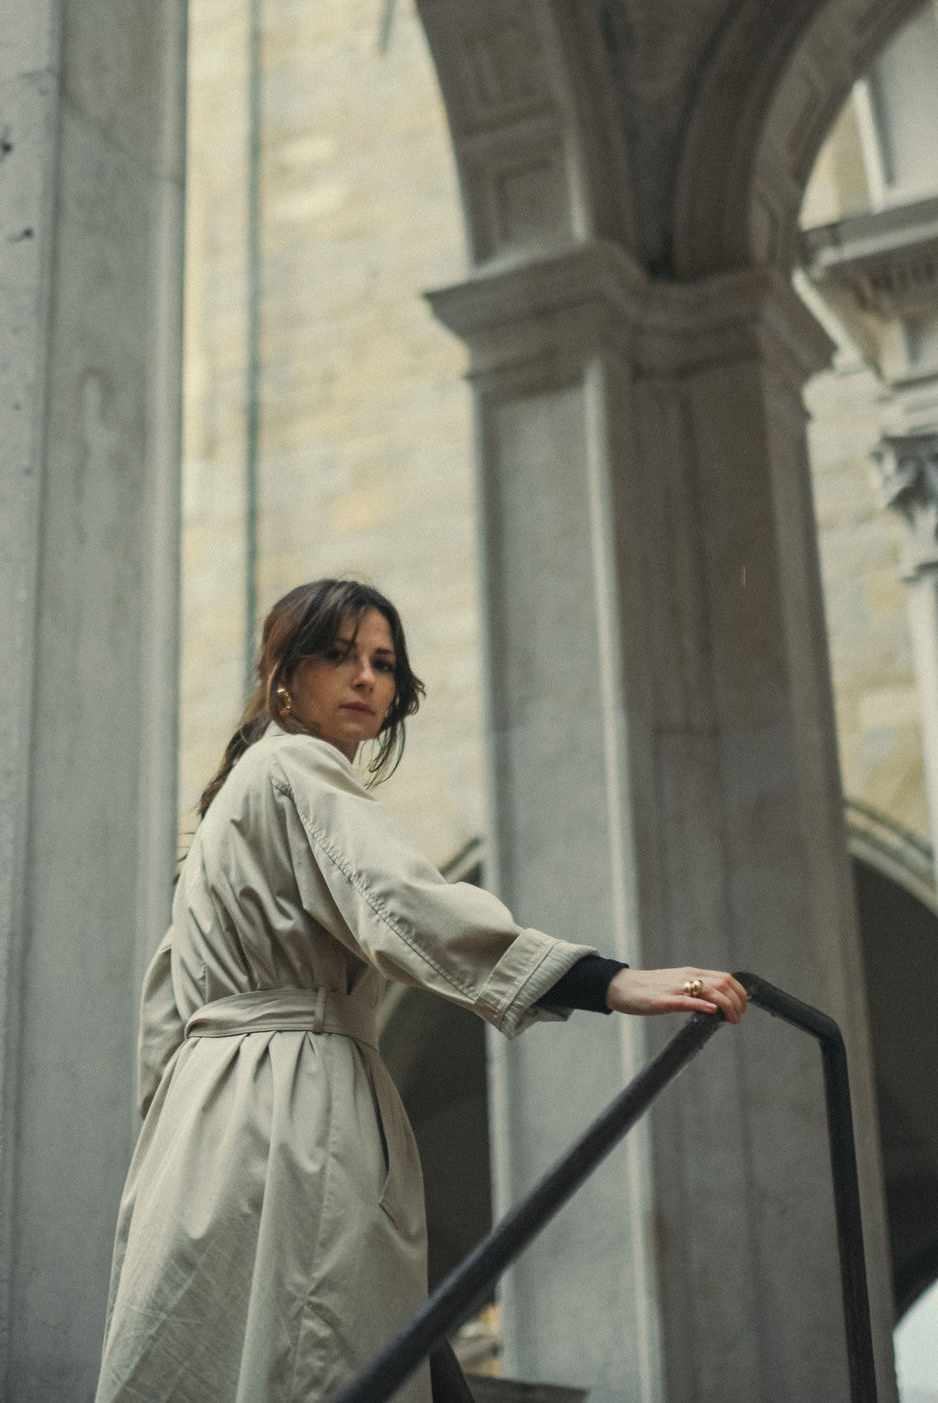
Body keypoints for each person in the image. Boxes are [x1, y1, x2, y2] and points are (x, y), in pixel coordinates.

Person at [94, 578, 749, 1403]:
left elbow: (163, 1018)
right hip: (292, 1116)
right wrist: (607, 980)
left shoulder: (234, 801)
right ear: (284, 678)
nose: (366, 677)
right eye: (338, 656)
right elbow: (402, 904)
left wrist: (167, 1152)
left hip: (200, 1141)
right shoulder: (296, 764)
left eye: (383, 662)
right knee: (324, 1356)